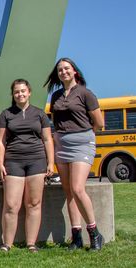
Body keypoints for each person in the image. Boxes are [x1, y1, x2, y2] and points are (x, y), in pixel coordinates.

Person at [44, 57, 105, 251]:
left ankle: (94, 233)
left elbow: (99, 123)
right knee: (69, 191)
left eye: (67, 69)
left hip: (82, 143)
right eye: (60, 70)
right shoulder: (56, 96)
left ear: (75, 71)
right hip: (62, 144)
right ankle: (76, 236)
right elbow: (56, 121)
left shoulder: (86, 93)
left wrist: (85, 135)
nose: (63, 72)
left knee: (78, 189)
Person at [0, 79, 54, 253]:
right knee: (12, 205)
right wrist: (0, 164)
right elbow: (0, 141)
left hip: (37, 161)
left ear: (29, 92)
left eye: (23, 91)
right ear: (13, 95)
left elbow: (47, 139)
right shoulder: (5, 114)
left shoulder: (39, 114)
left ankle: (31, 244)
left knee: (33, 203)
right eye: (16, 92)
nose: (20, 94)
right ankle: (7, 244)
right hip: (13, 161)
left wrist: (51, 162)